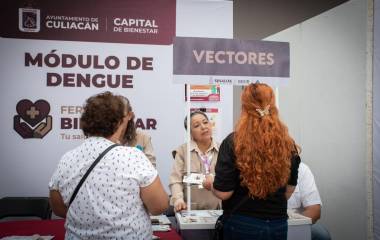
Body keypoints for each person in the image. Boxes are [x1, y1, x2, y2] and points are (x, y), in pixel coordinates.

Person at [48, 91, 168, 239]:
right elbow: (159, 206)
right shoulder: (133, 156)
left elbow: (57, 208)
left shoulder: (67, 158)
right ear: (119, 122)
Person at [209, 83, 301, 240]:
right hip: (278, 225)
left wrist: (209, 184)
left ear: (244, 108)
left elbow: (224, 193)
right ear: (273, 105)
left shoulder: (233, 142)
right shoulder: (288, 144)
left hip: (242, 224)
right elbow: (288, 191)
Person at [169, 111, 221, 212]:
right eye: (196, 125)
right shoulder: (182, 151)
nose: (203, 127)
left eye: (205, 122)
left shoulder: (223, 149)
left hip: (218, 210)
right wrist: (178, 200)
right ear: (190, 133)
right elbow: (175, 180)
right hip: (190, 211)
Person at [288, 162, 331, 240]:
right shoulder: (258, 169)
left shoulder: (301, 168)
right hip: (261, 223)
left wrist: (292, 224)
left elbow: (315, 211)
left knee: (321, 235)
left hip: (293, 223)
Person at [121, 99, 156, 168]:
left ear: (129, 115)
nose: (117, 120)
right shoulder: (105, 138)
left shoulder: (143, 137)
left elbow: (151, 168)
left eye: (121, 116)